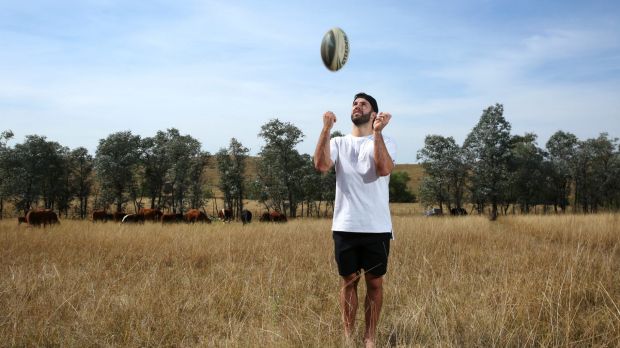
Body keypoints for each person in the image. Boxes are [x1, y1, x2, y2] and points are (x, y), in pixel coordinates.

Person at [314, 92, 396, 347]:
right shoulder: (338, 142)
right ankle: (348, 337)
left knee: (374, 283)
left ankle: (369, 338)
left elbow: (383, 169)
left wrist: (378, 133)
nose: (357, 106)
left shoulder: (386, 141)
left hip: (376, 227)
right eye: (354, 103)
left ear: (374, 114)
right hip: (345, 225)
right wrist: (326, 128)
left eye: (364, 104)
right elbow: (321, 165)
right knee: (348, 282)